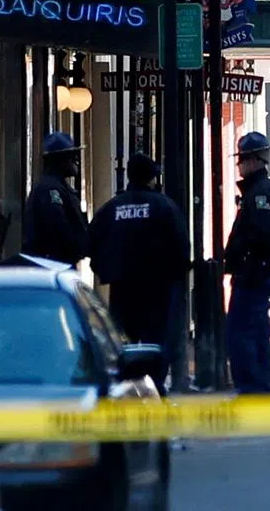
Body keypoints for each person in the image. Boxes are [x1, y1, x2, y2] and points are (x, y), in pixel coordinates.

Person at [89, 153, 189, 395]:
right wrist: (175, 277)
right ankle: (155, 388)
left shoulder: (112, 208)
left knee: (125, 345)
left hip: (123, 291)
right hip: (158, 291)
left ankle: (129, 390)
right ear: (152, 178)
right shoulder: (164, 207)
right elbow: (181, 248)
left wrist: (104, 271)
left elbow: (90, 241)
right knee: (156, 342)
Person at [224, 132, 270, 394]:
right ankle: (258, 384)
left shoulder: (260, 194)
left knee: (241, 330)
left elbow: (260, 236)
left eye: (242, 161)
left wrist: (242, 258)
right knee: (256, 328)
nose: (239, 166)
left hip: (254, 273)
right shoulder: (258, 192)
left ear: (254, 160)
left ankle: (252, 385)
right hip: (255, 271)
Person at [22, 132, 88, 266]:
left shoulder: (60, 187)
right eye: (71, 157)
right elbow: (58, 228)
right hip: (53, 265)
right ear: (60, 160)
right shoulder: (50, 190)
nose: (76, 161)